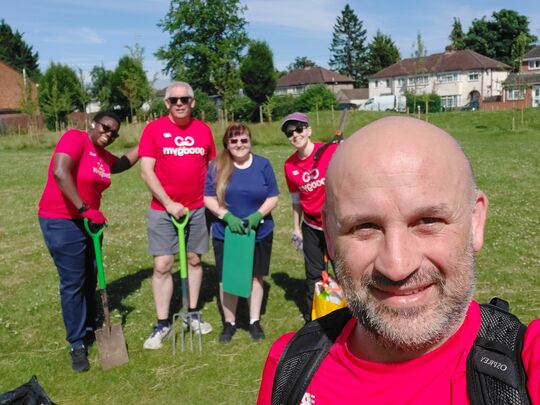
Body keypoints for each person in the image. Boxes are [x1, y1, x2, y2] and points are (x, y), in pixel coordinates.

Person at [257, 116, 540, 404]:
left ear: (475, 222)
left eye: (428, 220)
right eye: (364, 226)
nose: (397, 265)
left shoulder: (527, 364)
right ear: (329, 236)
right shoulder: (290, 365)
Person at [38, 111, 139, 372]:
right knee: (74, 281)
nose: (109, 135)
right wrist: (85, 209)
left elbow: (121, 165)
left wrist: (146, 144)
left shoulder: (102, 154)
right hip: (62, 220)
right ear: (94, 123)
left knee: (91, 276)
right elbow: (61, 172)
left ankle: (90, 324)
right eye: (106, 128)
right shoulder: (76, 138)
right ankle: (77, 344)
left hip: (89, 223)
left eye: (114, 133)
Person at [139, 81, 216, 350]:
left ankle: (192, 312)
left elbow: (212, 168)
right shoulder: (153, 130)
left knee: (195, 260)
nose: (179, 103)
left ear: (193, 102)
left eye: (185, 99)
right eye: (174, 100)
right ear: (166, 104)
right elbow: (146, 171)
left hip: (196, 209)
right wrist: (169, 202)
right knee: (162, 265)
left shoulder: (204, 130)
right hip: (163, 210)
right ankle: (162, 322)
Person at [204, 123, 279, 343]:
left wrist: (257, 216)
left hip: (259, 232)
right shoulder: (217, 166)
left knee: (256, 275)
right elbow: (208, 197)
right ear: (227, 143)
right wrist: (226, 216)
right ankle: (230, 323)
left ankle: (254, 321)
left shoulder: (263, 165)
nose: (239, 144)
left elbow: (273, 196)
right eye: (234, 140)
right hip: (227, 232)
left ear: (250, 142)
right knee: (228, 278)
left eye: (244, 140)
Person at [281, 112, 339, 321]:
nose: (295, 135)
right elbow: (296, 200)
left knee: (343, 269)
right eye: (290, 133)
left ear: (308, 130)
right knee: (313, 275)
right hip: (311, 226)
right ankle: (315, 320)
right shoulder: (289, 166)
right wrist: (296, 227)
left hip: (334, 224)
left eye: (299, 129)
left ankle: (354, 313)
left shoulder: (330, 150)